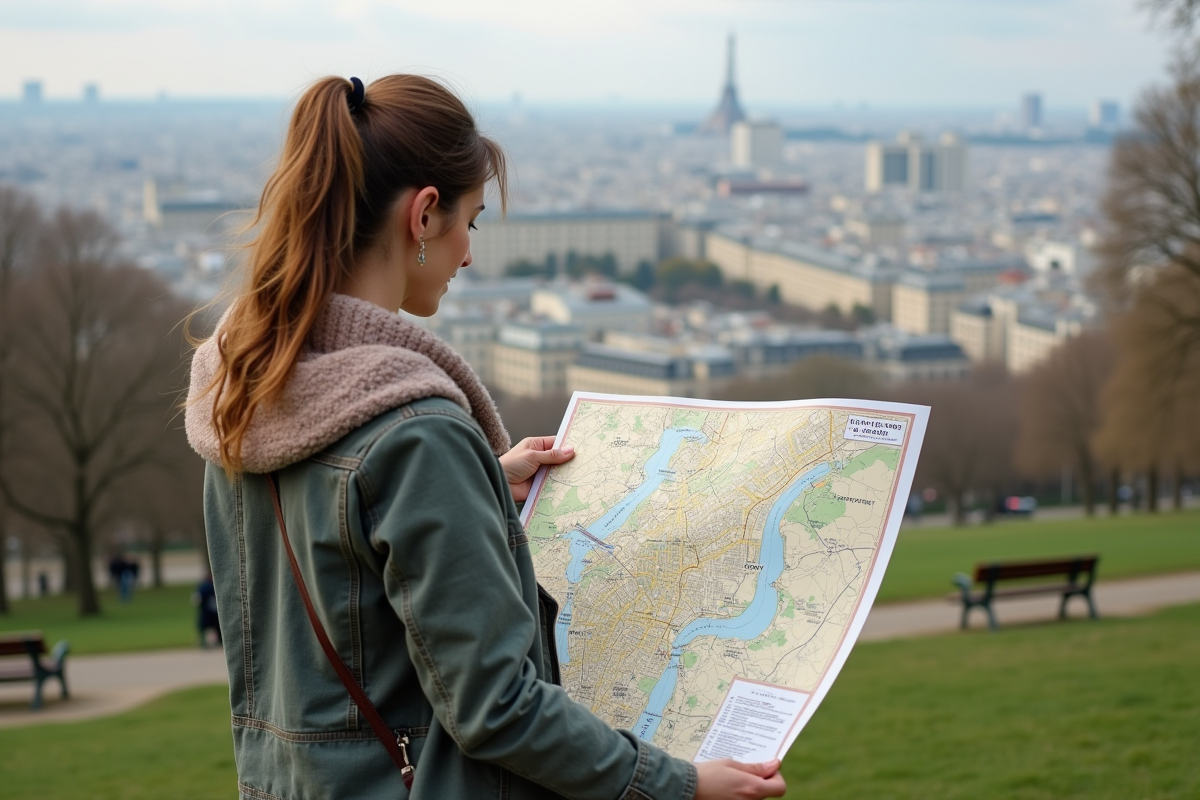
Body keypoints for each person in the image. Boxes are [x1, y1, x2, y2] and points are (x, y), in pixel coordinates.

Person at [186, 74, 787, 800]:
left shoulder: (248, 384)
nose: (469, 254)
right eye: (472, 220)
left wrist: (477, 488)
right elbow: (496, 708)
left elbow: (327, 560)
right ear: (425, 215)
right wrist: (676, 784)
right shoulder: (414, 437)